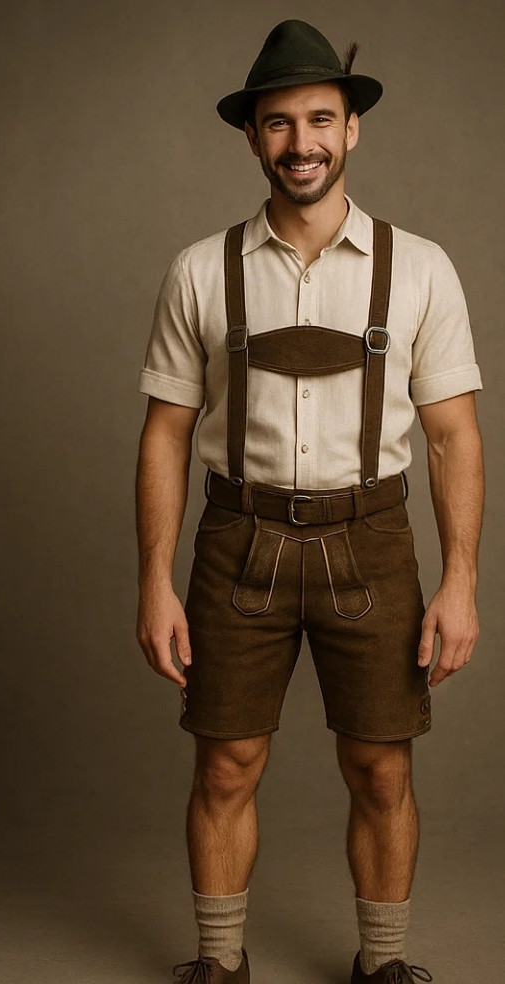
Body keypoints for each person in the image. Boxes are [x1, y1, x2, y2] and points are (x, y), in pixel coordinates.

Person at [135, 19, 482, 984]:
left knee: (381, 770)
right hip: (235, 540)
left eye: (320, 120)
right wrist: (154, 583)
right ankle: (218, 963)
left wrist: (460, 580)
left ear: (352, 130)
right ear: (251, 136)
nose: (302, 143)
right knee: (225, 766)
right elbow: (164, 432)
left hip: (371, 543)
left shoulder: (420, 268)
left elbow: (454, 435)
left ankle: (384, 967)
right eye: (279, 123)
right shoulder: (201, 270)